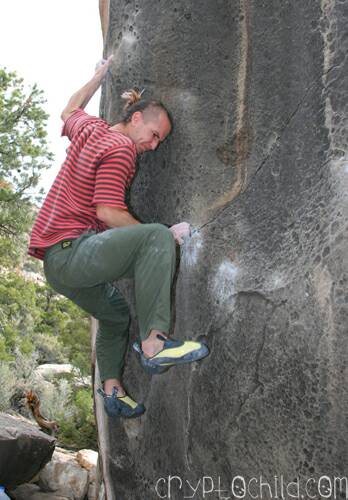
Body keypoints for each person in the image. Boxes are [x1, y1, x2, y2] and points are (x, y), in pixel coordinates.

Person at [28, 56, 209, 418]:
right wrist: (161, 237)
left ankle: (112, 390)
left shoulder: (91, 130)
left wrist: (97, 76)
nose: (154, 145)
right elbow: (107, 213)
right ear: (137, 118)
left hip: (57, 264)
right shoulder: (123, 149)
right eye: (155, 135)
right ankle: (155, 344)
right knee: (156, 237)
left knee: (113, 316)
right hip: (73, 251)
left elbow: (69, 109)